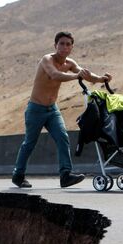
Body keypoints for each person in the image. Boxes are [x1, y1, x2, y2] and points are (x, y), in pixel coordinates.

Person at [12, 31, 112, 188]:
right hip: (35, 109)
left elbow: (84, 74)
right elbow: (54, 75)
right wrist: (76, 76)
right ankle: (18, 175)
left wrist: (101, 79)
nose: (64, 47)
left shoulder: (70, 63)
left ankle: (65, 175)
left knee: (62, 137)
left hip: (52, 110)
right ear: (55, 45)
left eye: (68, 44)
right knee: (29, 143)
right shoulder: (47, 59)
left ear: (71, 47)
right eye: (61, 44)